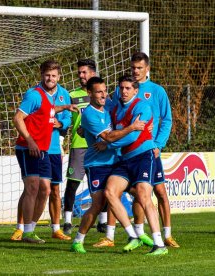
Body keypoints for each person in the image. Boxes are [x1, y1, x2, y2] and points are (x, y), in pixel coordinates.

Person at [95, 52, 179, 249]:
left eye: (139, 68)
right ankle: (131, 234)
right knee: (121, 192)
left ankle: (164, 236)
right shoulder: (118, 96)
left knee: (156, 192)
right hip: (124, 153)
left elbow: (165, 120)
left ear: (147, 69)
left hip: (147, 151)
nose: (136, 71)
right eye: (133, 68)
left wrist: (158, 143)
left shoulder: (155, 92)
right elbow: (112, 119)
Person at [70, 76, 145, 253]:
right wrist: (132, 128)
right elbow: (109, 137)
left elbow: (125, 112)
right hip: (97, 164)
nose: (104, 95)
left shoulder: (110, 105)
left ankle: (139, 234)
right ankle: (78, 240)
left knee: (140, 192)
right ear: (89, 93)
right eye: (99, 92)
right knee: (98, 204)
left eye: (105, 90)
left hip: (117, 161)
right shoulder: (88, 114)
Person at [11, 60, 76, 243]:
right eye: (47, 75)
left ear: (59, 77)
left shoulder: (53, 96)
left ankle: (31, 229)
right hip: (28, 148)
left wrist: (65, 108)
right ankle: (25, 231)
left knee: (46, 189)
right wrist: (30, 141)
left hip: (44, 149)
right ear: (41, 75)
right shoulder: (34, 95)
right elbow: (17, 118)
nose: (50, 78)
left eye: (53, 75)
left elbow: (47, 110)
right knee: (31, 187)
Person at [103, 75, 168, 255]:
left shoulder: (142, 107)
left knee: (143, 195)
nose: (124, 91)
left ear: (135, 91)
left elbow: (132, 137)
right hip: (125, 159)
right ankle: (133, 235)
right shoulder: (115, 109)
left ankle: (159, 244)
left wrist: (108, 142)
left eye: (128, 88)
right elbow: (108, 129)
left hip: (143, 156)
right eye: (121, 88)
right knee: (110, 192)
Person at [63, 59, 100, 235]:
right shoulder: (72, 95)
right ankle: (68, 222)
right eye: (79, 73)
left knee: (101, 184)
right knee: (72, 184)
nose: (81, 76)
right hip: (79, 146)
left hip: (99, 146)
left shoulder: (102, 94)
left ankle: (103, 221)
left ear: (93, 73)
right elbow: (65, 119)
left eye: (84, 72)